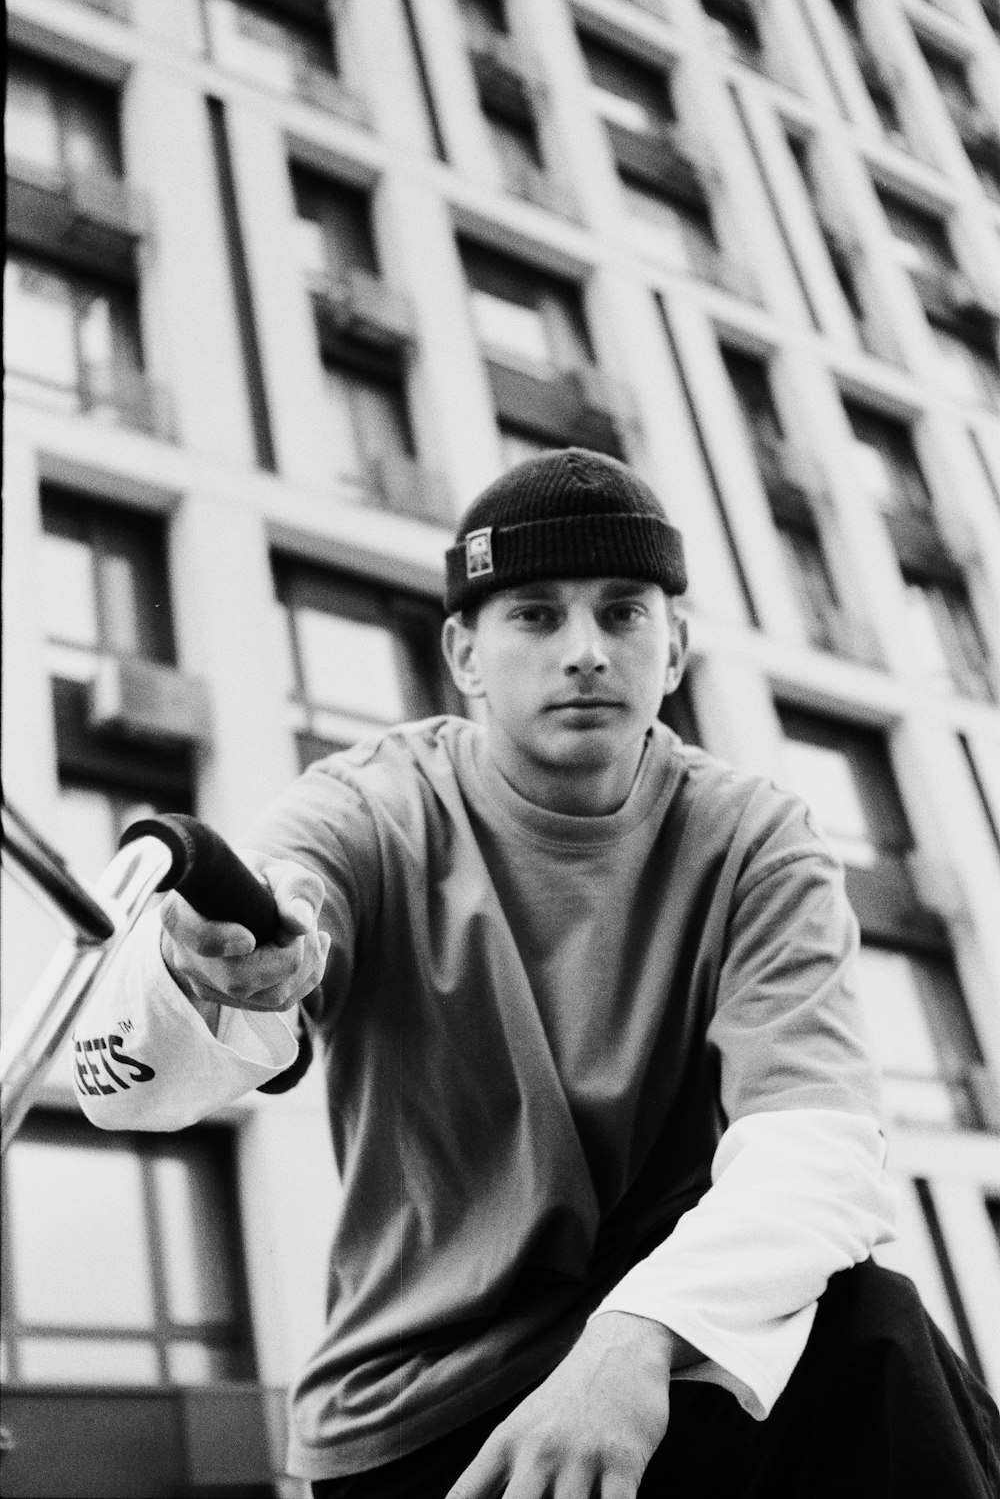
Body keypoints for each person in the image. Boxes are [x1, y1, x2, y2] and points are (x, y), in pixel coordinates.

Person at [74, 448, 1000, 1498]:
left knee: (871, 1327)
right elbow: (174, 1039)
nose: (586, 652)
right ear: (464, 651)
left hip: (663, 1354)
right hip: (419, 1409)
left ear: (677, 645)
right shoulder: (371, 808)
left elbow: (819, 1148)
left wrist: (637, 1333)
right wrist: (212, 977)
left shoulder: (755, 840)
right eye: (535, 616)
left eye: (621, 613)